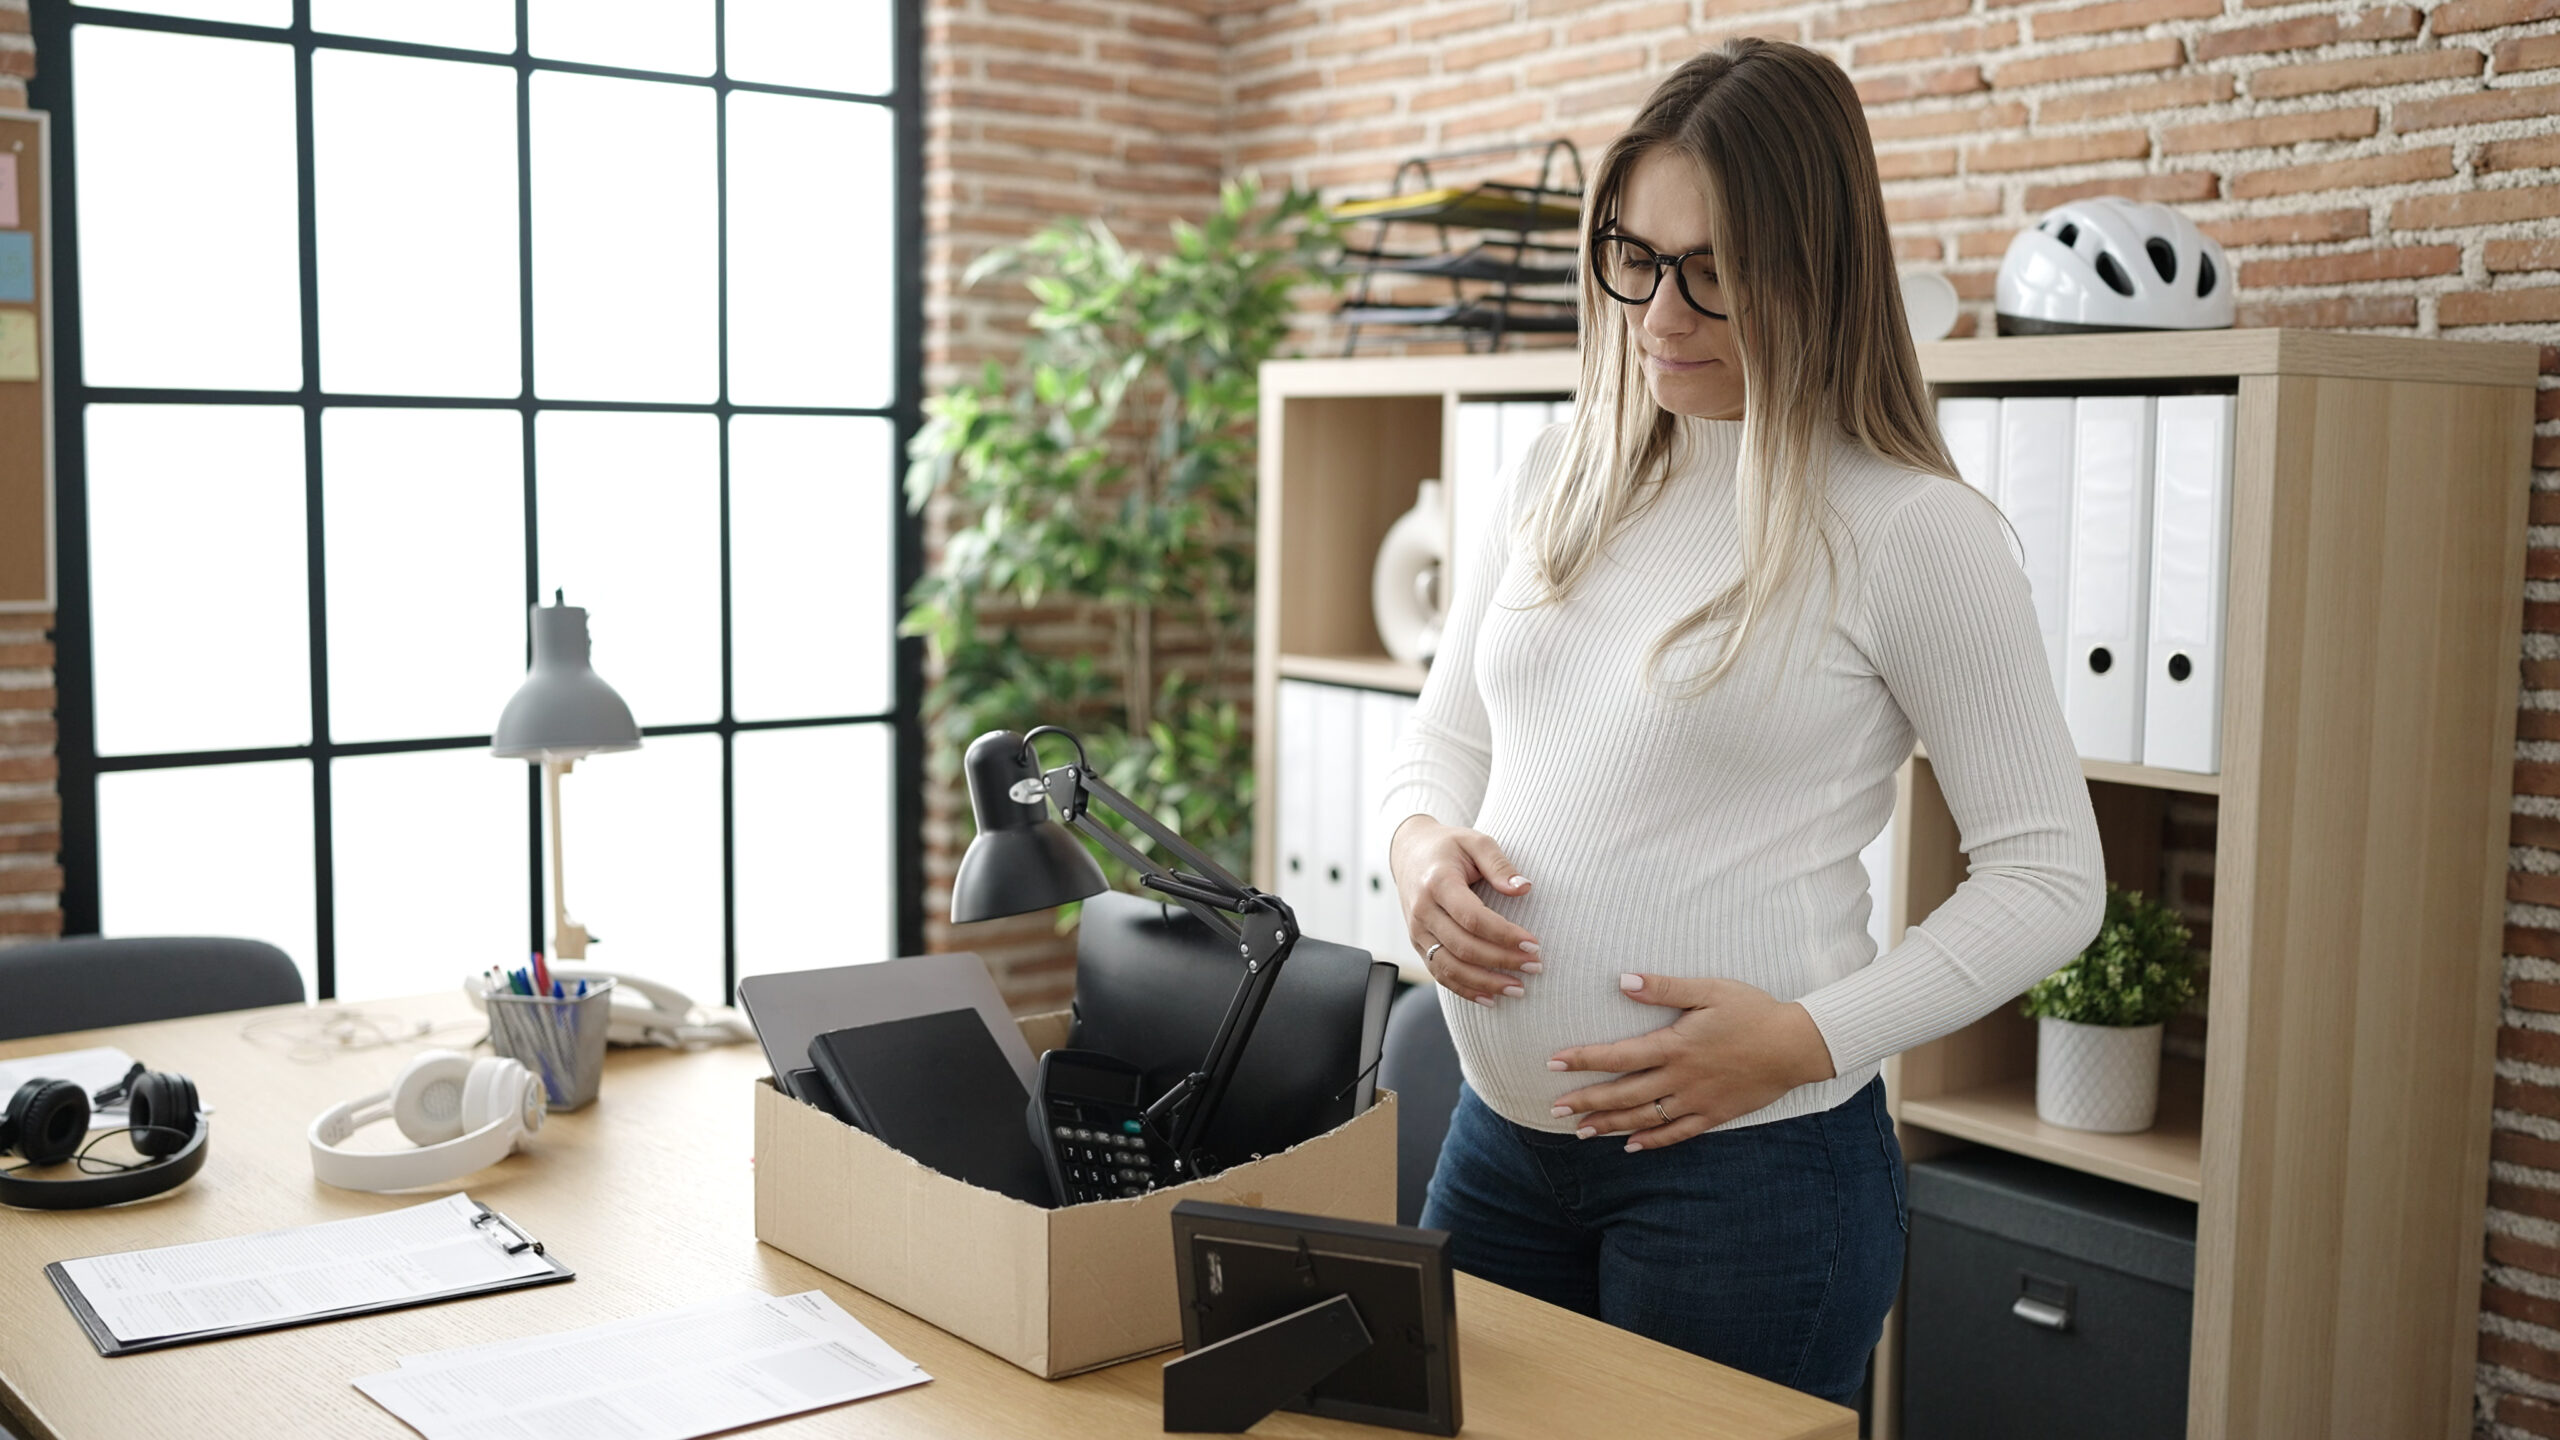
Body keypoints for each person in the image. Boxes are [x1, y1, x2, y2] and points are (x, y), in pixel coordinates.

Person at [1379, 38, 2106, 1405]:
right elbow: (1443, 740)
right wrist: (1421, 849)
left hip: (1752, 1184)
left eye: (1713, 269)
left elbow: (2051, 877)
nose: (1660, 311)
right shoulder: (1557, 470)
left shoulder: (1911, 530)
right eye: (1635, 258)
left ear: (1817, 269)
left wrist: (1807, 1040)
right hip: (1500, 1143)